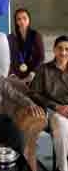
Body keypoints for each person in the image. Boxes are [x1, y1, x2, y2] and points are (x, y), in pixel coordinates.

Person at [31, 35, 68, 171]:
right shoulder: (44, 69)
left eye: (66, 49)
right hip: (54, 112)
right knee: (61, 124)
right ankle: (62, 167)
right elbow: (34, 93)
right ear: (54, 50)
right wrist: (56, 106)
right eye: (60, 49)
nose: (63, 52)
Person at [8, 8, 44, 84]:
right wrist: (12, 74)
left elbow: (41, 57)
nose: (22, 21)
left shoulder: (36, 35)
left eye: (24, 18)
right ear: (16, 21)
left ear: (29, 19)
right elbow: (8, 58)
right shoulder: (11, 37)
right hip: (16, 76)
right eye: (19, 19)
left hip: (33, 75)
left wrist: (34, 72)